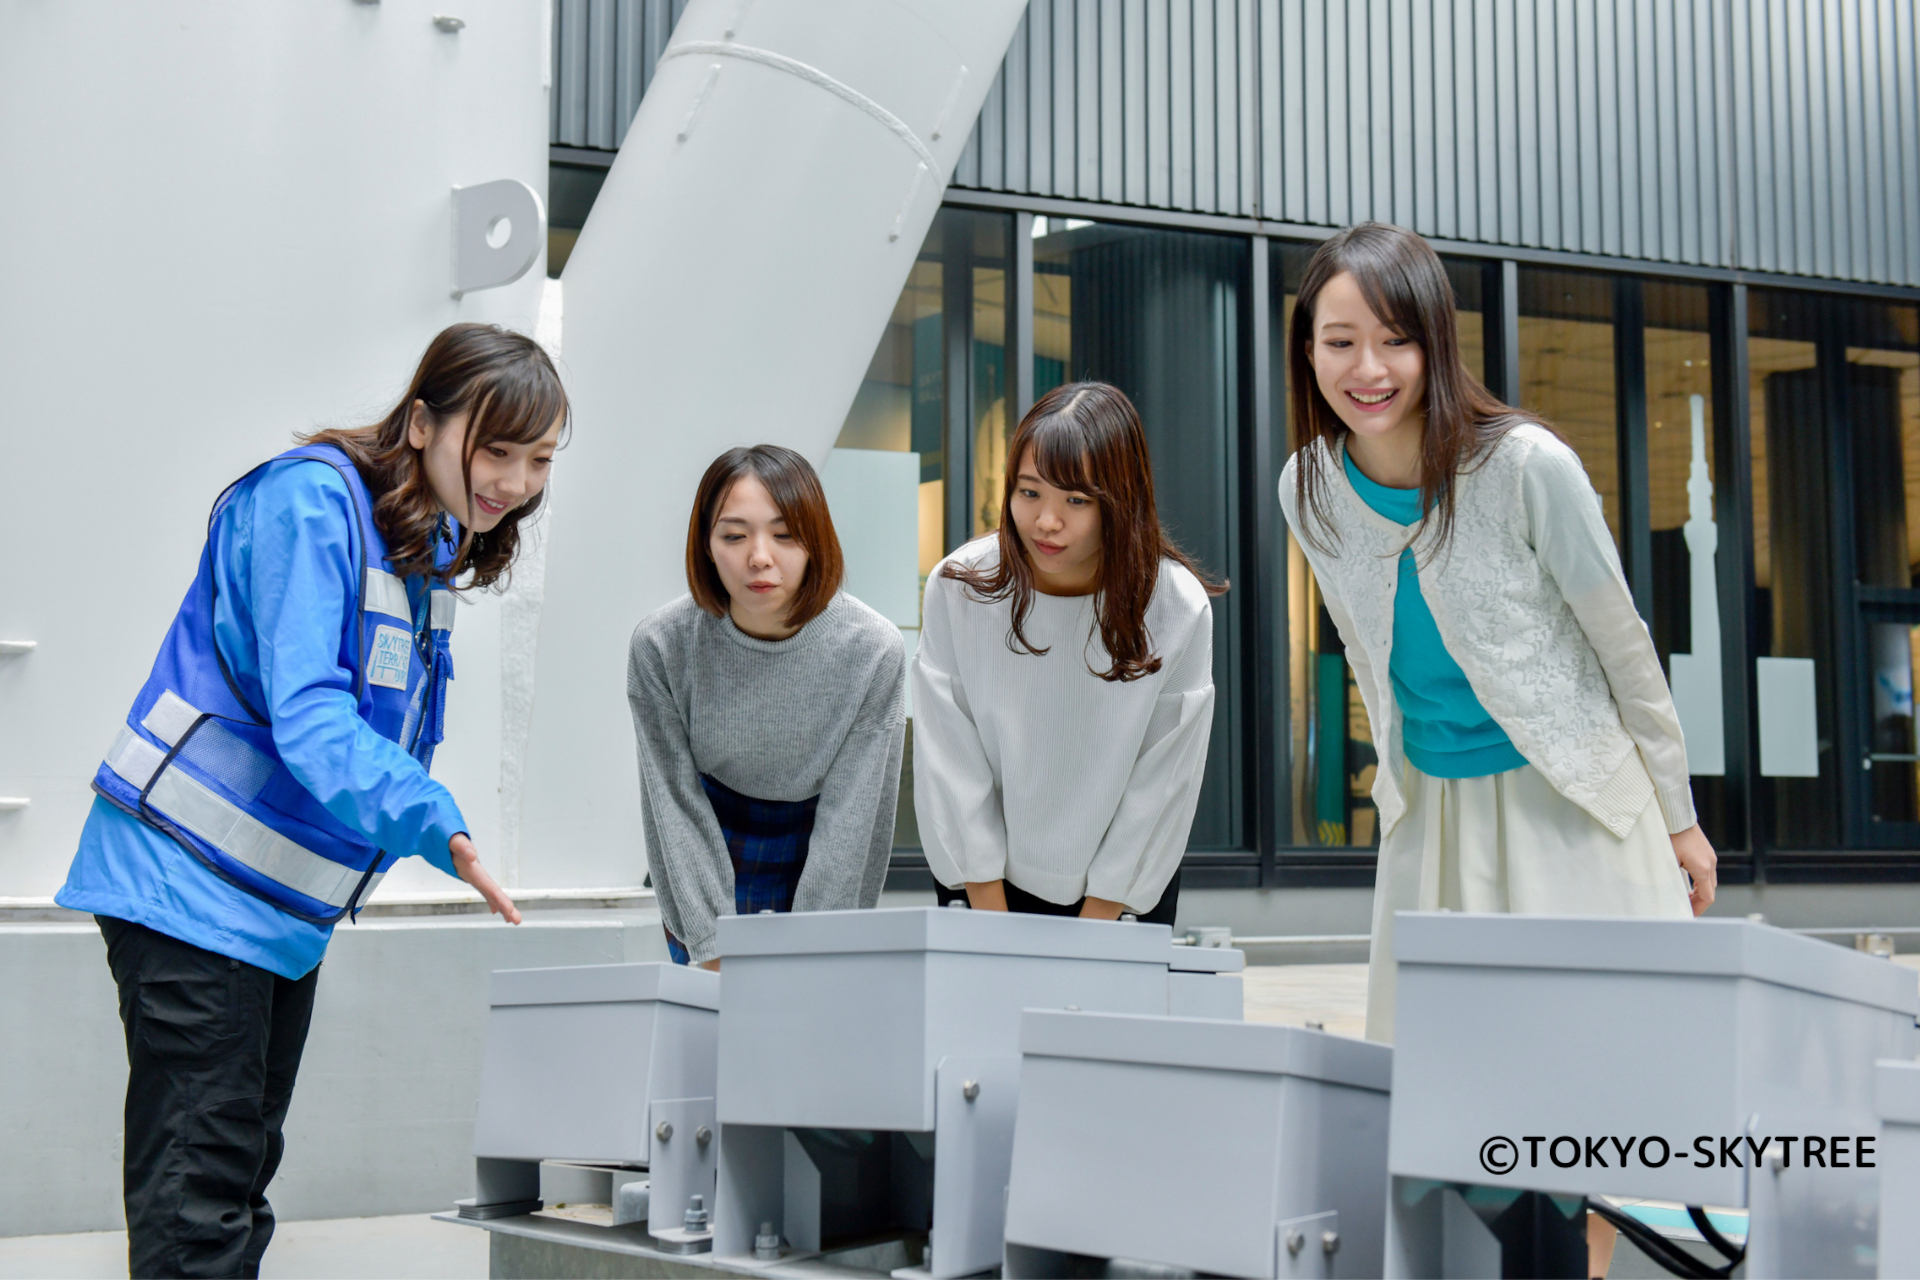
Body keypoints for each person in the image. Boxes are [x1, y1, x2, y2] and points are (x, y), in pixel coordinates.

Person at [55, 323, 559, 1277]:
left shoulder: (426, 540)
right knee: (199, 1194)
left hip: (275, 911)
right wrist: (434, 819)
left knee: (236, 1182)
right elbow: (315, 721)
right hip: (188, 887)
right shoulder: (310, 502)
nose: (517, 482)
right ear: (421, 422)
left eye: (536, 460)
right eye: (497, 449)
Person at [1278, 223, 1714, 1273]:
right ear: (1308, 353)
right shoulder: (1310, 488)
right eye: (1338, 342)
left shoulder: (1524, 465)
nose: (1367, 370)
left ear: (1436, 340)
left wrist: (1679, 815)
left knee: (1588, 1079)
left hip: (1572, 804)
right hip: (1437, 816)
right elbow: (1361, 644)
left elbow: (1622, 642)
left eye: (1392, 339)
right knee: (1447, 1084)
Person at [914, 381, 1223, 925]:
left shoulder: (1176, 606)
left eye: (1076, 500)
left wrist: (1098, 919)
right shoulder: (959, 587)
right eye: (1029, 492)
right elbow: (949, 760)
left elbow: (1162, 781)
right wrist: (991, 916)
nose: (1046, 522)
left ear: (1120, 501)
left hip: (1123, 891)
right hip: (983, 887)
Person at [628, 445, 907, 968]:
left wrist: (814, 954)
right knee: (708, 1034)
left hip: (819, 850)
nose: (760, 556)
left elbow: (853, 823)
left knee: (808, 1029)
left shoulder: (873, 650)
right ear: (706, 545)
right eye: (734, 535)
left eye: (784, 535)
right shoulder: (661, 645)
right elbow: (673, 804)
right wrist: (710, 948)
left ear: (816, 541)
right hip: (707, 848)